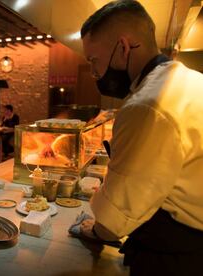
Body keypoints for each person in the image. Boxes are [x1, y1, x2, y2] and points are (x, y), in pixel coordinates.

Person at [78, 1, 203, 275]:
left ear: (123, 48)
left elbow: (113, 222)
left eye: (93, 61)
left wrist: (96, 228)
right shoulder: (192, 80)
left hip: (176, 256)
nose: (94, 73)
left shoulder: (146, 105)